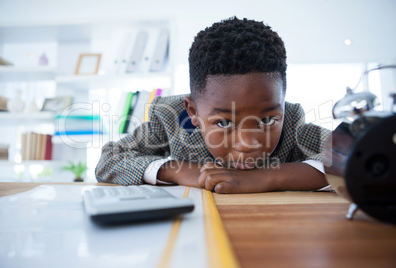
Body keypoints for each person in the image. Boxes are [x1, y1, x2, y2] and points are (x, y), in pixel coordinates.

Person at [95, 17, 331, 194]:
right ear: (193, 112)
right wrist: (182, 171)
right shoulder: (170, 119)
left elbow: (347, 154)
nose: (248, 144)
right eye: (224, 122)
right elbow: (110, 159)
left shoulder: (291, 122)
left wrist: (265, 178)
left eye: (267, 120)